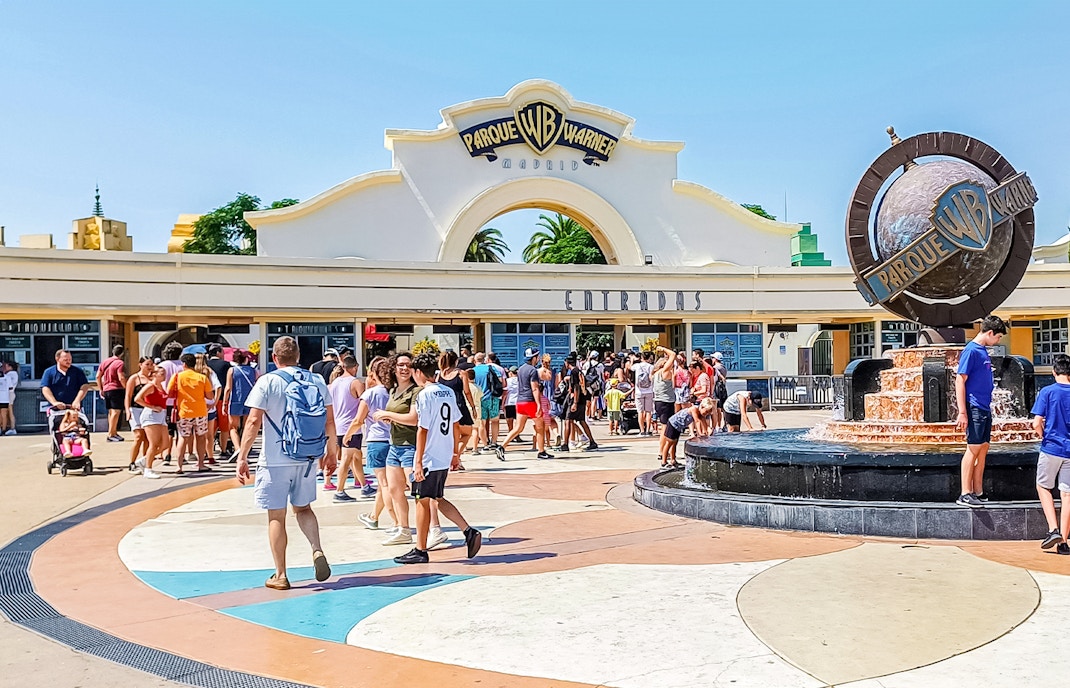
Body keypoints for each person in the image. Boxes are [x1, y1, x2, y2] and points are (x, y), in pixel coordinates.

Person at [236, 336, 337, 591]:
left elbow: (253, 421)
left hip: (275, 460)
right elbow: (329, 420)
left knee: (276, 517)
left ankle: (280, 574)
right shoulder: (316, 380)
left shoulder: (268, 381)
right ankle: (316, 549)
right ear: (299, 356)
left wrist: (242, 456)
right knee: (303, 509)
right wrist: (331, 451)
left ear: (274, 358)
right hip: (307, 458)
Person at [392, 352, 484, 565]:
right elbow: (455, 424)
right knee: (436, 497)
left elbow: (422, 429)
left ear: (417, 372)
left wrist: (417, 462)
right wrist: (454, 453)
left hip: (429, 457)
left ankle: (420, 549)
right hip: (443, 454)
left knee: (422, 501)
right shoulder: (447, 392)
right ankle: (468, 532)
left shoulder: (424, 395)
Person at [955, 315, 1007, 508]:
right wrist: (962, 412)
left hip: (984, 407)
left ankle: (978, 491)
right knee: (973, 448)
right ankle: (965, 493)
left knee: (983, 448)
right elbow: (960, 380)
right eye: (998, 337)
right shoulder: (971, 351)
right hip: (974, 406)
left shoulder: (983, 351)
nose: (998, 341)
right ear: (990, 333)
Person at [372, 352, 420, 546]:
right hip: (394, 445)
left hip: (410, 446)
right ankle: (404, 528)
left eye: (408, 365)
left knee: (418, 490)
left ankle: (432, 527)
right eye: (400, 365)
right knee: (394, 489)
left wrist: (388, 414)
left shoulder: (415, 392)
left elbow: (414, 418)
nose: (404, 368)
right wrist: (388, 417)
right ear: (394, 368)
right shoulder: (392, 391)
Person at [348, 357, 399, 533]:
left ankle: (396, 522)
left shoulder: (370, 394)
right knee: (385, 483)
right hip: (393, 440)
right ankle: (374, 517)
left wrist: (348, 435)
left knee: (384, 484)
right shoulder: (393, 391)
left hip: (376, 441)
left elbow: (358, 419)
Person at [1032, 354, 1070, 552]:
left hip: (1051, 448)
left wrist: (1043, 436)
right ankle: (1063, 542)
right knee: (1067, 494)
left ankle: (1053, 529)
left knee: (1043, 486)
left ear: (1054, 371)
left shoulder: (1047, 392)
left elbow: (1036, 423)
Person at [327, 356, 374, 501]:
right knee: (347, 459)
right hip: (351, 426)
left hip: (338, 424)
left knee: (357, 457)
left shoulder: (334, 383)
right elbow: (365, 402)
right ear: (355, 367)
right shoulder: (355, 383)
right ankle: (339, 491)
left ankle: (364, 486)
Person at [497, 348, 553, 459]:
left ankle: (502, 447)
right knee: (540, 426)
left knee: (518, 428)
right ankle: (541, 451)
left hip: (520, 401)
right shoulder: (533, 370)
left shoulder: (521, 369)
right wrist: (538, 405)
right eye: (537, 357)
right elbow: (535, 388)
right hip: (530, 401)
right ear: (534, 358)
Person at [167, 353, 215, 473]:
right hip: (200, 411)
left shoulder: (177, 377)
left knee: (183, 437)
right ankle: (200, 464)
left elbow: (169, 393)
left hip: (184, 411)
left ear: (184, 364)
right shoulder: (202, 378)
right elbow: (210, 395)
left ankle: (179, 466)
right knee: (201, 437)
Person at [436, 350, 475, 472]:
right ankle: (456, 457)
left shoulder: (440, 374)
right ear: (456, 361)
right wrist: (473, 407)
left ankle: (455, 458)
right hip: (459, 404)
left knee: (452, 435)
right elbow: (467, 391)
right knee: (467, 433)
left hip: (444, 407)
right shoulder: (461, 374)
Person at [134, 367, 169, 479]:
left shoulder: (161, 386)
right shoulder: (150, 386)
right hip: (151, 415)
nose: (164, 375)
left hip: (161, 415)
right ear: (154, 374)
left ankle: (144, 460)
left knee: (165, 444)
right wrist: (152, 406)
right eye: (162, 373)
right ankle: (148, 469)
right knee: (153, 444)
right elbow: (137, 398)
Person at [659, 398, 716, 468]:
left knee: (674, 443)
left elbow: (704, 425)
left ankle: (673, 460)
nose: (706, 414)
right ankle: (663, 462)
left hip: (678, 427)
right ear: (702, 406)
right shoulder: (694, 409)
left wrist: (707, 432)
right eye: (706, 412)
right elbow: (697, 421)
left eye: (708, 413)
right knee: (669, 443)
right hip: (673, 424)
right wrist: (700, 434)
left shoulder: (701, 414)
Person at [224, 350, 258, 462]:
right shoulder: (253, 371)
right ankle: (244, 450)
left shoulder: (232, 370)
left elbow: (228, 388)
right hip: (250, 401)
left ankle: (237, 448)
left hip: (235, 401)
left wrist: (225, 402)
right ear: (246, 359)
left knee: (233, 427)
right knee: (246, 427)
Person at [560, 354, 598, 452]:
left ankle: (565, 444)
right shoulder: (578, 370)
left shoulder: (573, 372)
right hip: (582, 399)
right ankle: (592, 441)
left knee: (568, 420)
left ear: (567, 363)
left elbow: (576, 387)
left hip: (575, 400)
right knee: (581, 420)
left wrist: (574, 403)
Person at [125, 356, 155, 471]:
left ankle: (144, 460)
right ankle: (132, 462)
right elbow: (128, 395)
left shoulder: (152, 378)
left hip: (148, 410)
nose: (149, 367)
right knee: (138, 436)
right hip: (136, 409)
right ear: (140, 365)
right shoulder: (134, 378)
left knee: (148, 437)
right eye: (147, 364)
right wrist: (127, 410)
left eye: (151, 364)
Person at [472, 352, 506, 449]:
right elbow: (500, 381)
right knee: (495, 421)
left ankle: (485, 444)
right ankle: (494, 442)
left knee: (482, 423)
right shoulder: (491, 368)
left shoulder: (472, 371)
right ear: (485, 360)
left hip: (479, 399)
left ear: (475, 360)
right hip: (492, 397)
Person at [205, 343, 233, 458]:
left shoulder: (205, 365)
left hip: (208, 400)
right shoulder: (226, 365)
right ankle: (223, 449)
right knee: (224, 426)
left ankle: (208, 450)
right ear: (218, 352)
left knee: (210, 427)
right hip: (222, 399)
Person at [96, 345, 128, 442]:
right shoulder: (119, 363)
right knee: (116, 412)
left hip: (107, 389)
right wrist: (127, 387)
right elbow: (121, 377)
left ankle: (113, 432)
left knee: (111, 412)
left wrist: (100, 389)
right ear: (122, 353)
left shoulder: (105, 362)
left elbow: (98, 376)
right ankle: (111, 434)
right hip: (116, 389)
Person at [633, 351, 655, 436]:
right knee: (648, 411)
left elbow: (630, 368)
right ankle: (648, 430)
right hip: (649, 390)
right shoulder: (651, 367)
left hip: (639, 391)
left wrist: (633, 360)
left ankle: (642, 430)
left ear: (642, 358)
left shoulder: (637, 366)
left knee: (640, 412)